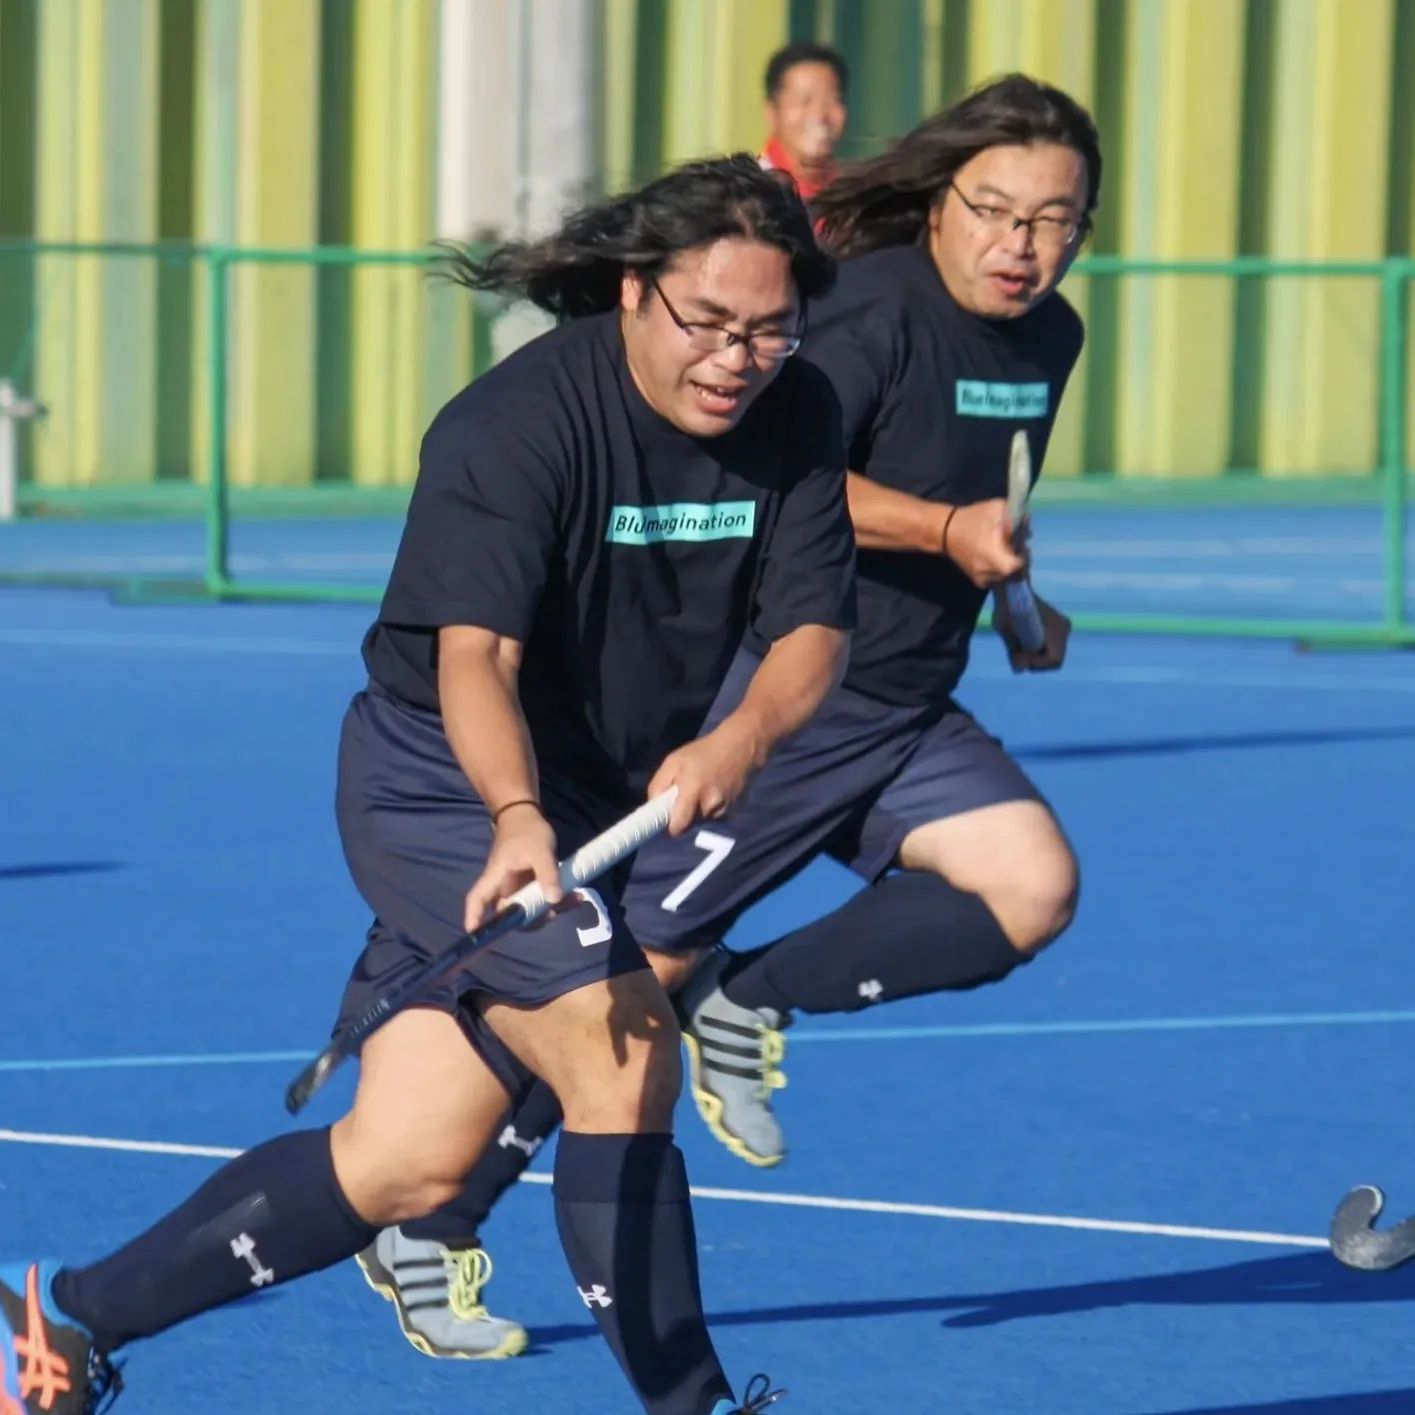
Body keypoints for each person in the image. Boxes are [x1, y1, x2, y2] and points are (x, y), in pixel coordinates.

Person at [0, 154, 858, 1415]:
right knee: (622, 1051)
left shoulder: (798, 408)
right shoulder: (514, 423)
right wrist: (512, 816)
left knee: (406, 1161)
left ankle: (74, 1317)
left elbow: (811, 631)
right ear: (634, 290)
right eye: (708, 322)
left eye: (769, 330)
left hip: (585, 797)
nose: (737, 358)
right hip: (441, 779)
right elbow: (476, 657)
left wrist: (745, 737)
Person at [359, 71, 1104, 1363]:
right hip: (780, 703)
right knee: (616, 997)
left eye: (1054, 220)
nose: (1020, 243)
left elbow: (985, 495)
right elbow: (800, 481)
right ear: (940, 201)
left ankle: (747, 996)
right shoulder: (867, 313)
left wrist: (1013, 598)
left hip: (905, 698)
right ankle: (432, 1216)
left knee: (1029, 883)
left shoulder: (1050, 337)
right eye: (994, 209)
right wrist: (943, 531)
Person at [759, 41, 848, 201]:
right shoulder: (749, 192)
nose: (819, 115)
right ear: (772, 113)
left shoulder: (854, 193)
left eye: (832, 100)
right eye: (803, 101)